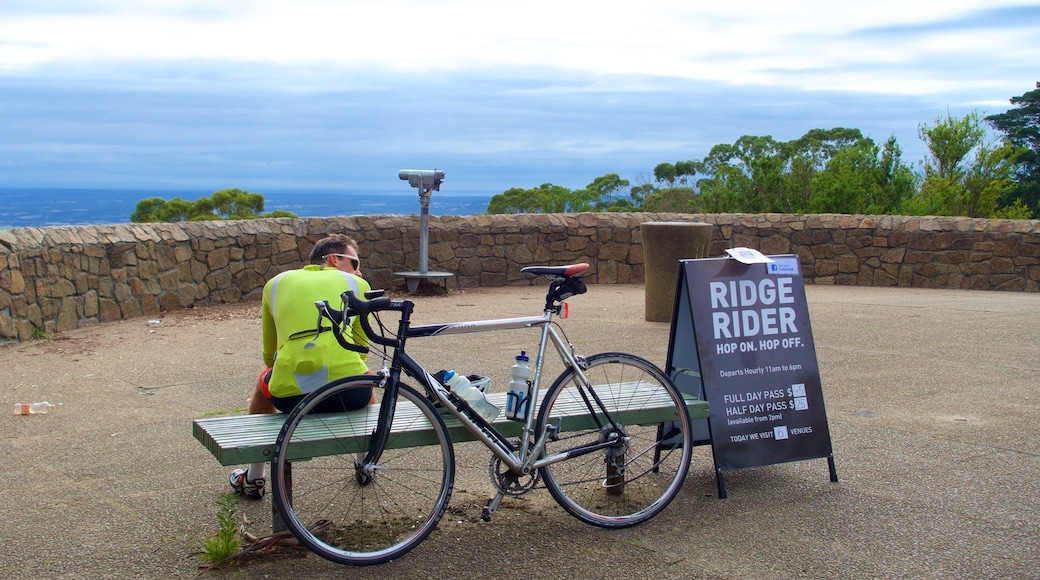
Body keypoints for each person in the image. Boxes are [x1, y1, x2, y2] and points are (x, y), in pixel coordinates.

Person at [229, 234, 374, 499]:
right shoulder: (358, 284)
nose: (359, 270)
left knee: (263, 383)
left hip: (291, 399)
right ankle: (365, 463)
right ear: (334, 259)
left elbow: (269, 355)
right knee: (366, 376)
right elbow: (363, 350)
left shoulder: (274, 285)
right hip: (352, 395)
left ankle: (254, 477)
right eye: (355, 262)